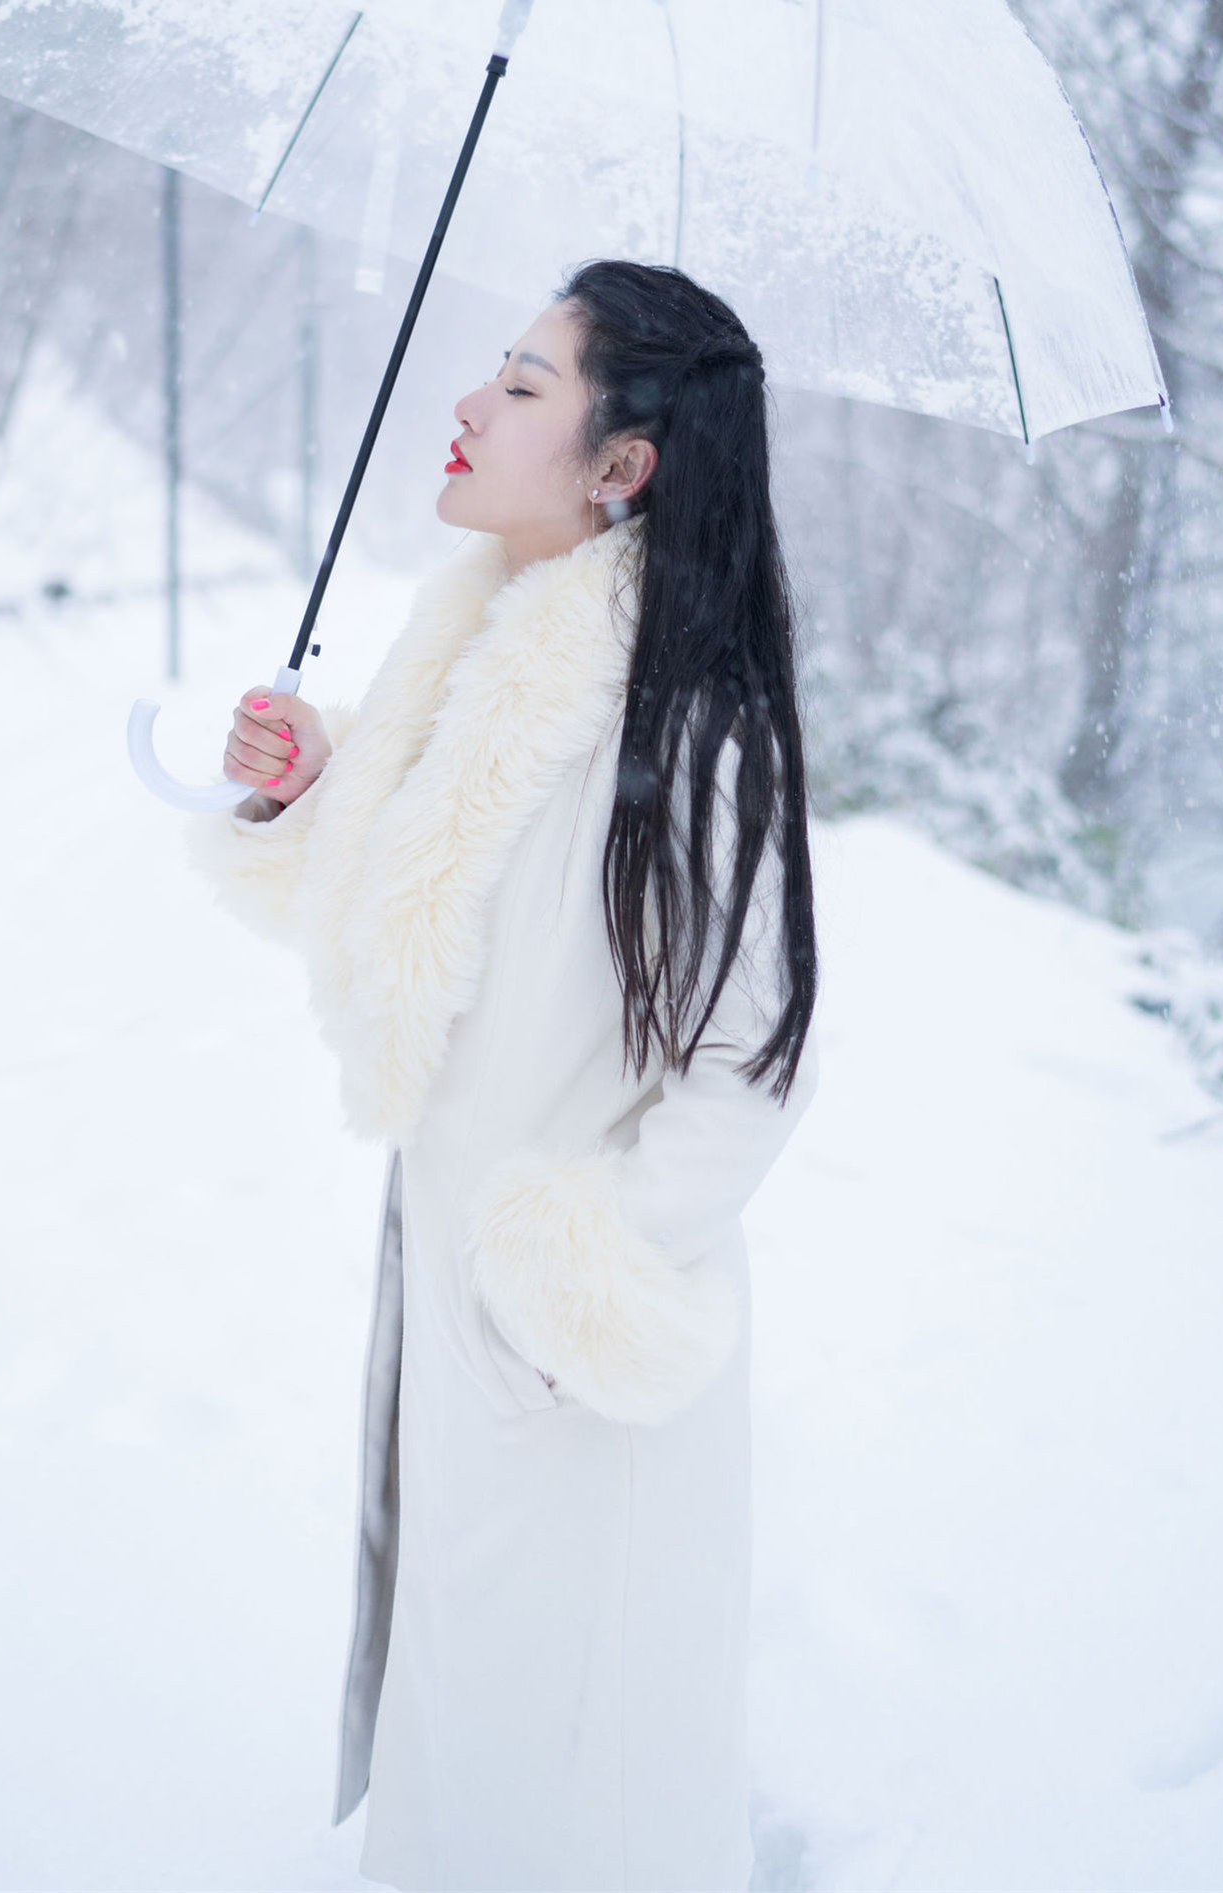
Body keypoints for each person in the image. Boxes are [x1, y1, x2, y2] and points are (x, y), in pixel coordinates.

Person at [184, 260, 819, 1893]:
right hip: (455, 1290)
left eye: (526, 385)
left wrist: (568, 1282)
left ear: (624, 467)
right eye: (496, 371)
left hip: (568, 1343)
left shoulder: (688, 722)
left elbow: (752, 1053)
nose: (471, 404)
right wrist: (315, 792)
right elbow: (419, 943)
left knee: (575, 1774)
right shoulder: (471, 654)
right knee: (463, 1746)